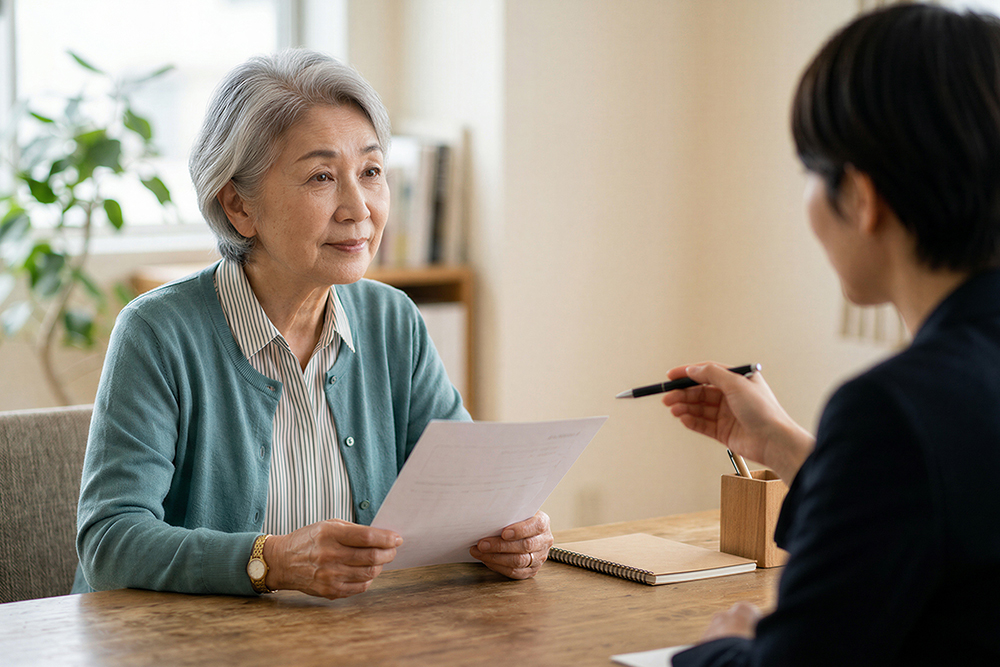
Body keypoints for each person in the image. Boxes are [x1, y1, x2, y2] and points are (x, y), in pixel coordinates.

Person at [73, 49, 552, 600]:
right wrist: (270, 562)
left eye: (371, 172)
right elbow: (109, 543)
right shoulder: (158, 332)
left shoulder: (392, 320)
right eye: (322, 177)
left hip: (356, 636)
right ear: (239, 206)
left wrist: (508, 534)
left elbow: (468, 493)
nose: (359, 208)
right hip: (191, 640)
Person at [662, 5, 1000, 666]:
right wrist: (781, 445)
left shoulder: (892, 409)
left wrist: (724, 646)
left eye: (811, 173)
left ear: (863, 198)